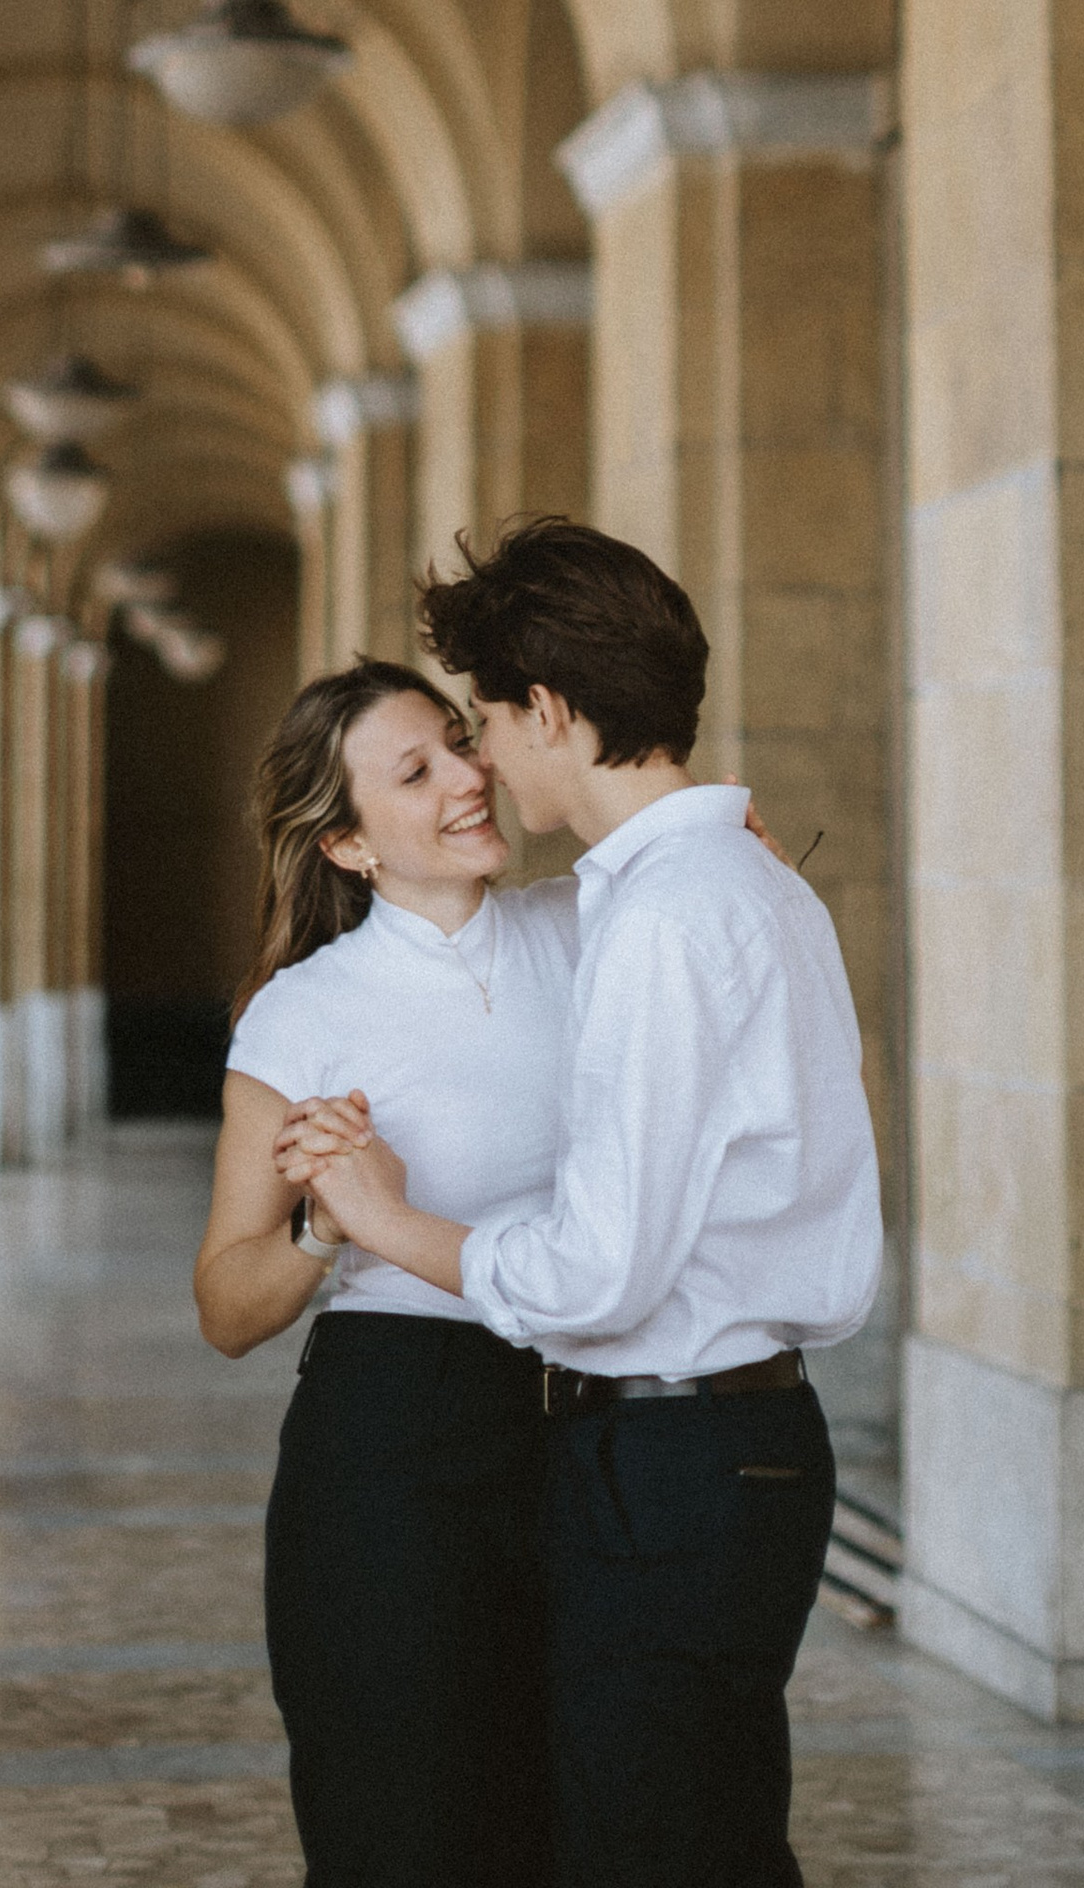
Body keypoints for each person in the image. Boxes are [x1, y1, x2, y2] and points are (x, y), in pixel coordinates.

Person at [279, 519, 882, 1888]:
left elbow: (595, 1275)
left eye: (484, 719)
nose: (479, 757)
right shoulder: (724, 885)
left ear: (549, 709)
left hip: (674, 1467)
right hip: (721, 1450)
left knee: (658, 1849)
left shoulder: (671, 915)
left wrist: (379, 1220)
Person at [193, 656, 574, 1888]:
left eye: (462, 743)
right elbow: (224, 1305)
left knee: (562, 1820)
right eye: (418, 772)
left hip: (594, 1420)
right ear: (350, 846)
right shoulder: (302, 1015)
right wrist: (327, 1225)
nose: (470, 777)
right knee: (398, 1826)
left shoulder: (591, 925)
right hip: (393, 1450)